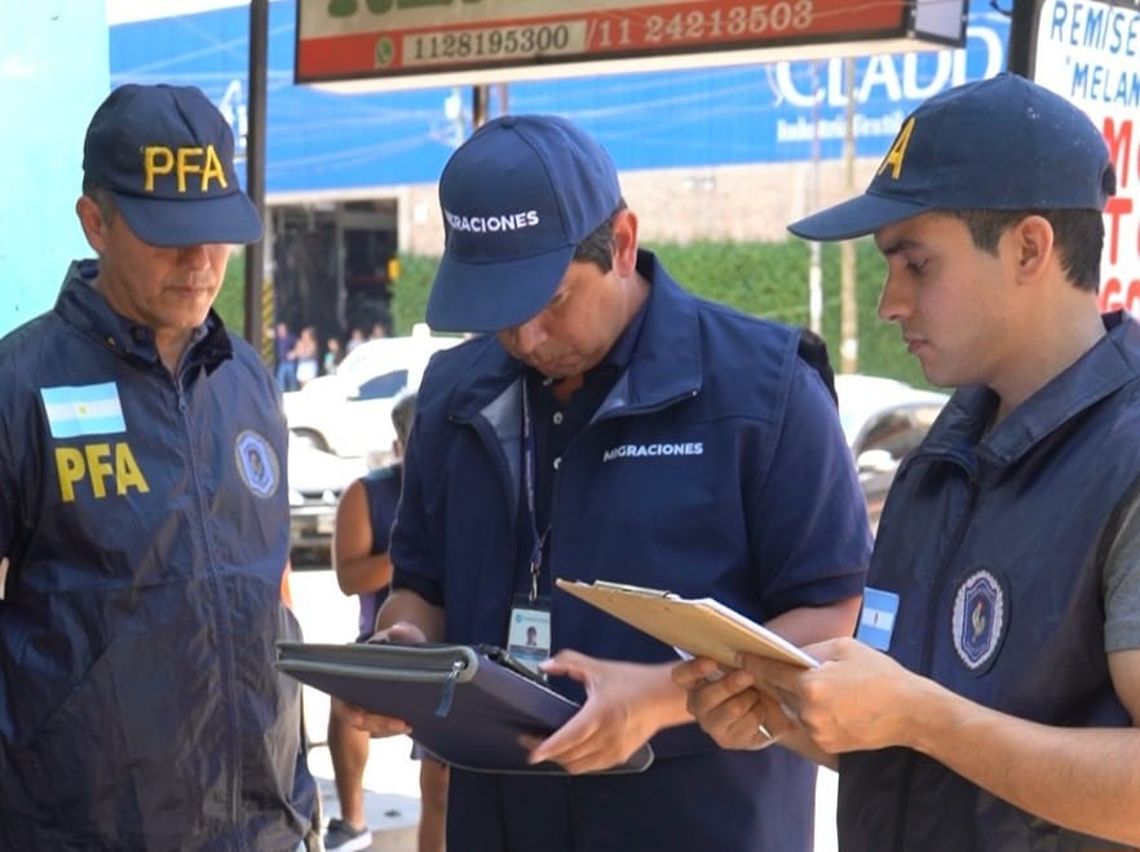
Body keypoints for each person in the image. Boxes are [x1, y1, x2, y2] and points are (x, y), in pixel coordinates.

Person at [348, 114, 871, 850]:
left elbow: (833, 612)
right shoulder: (452, 393)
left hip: (700, 821)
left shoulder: (764, 388)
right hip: (497, 820)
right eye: (498, 312)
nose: (525, 339)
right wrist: (403, 649)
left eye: (552, 301)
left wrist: (659, 700)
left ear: (622, 243)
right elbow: (422, 584)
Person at [676, 73, 1140, 850]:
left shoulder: (1125, 461)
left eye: (916, 263)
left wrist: (927, 717)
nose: (891, 301)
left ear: (1031, 247)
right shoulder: (942, 455)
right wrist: (783, 716)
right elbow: (913, 749)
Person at [0, 83, 317, 848]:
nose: (200, 261)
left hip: (260, 828)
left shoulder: (247, 380)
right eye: (167, 232)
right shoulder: (20, 386)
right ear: (95, 223)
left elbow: (272, 592)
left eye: (214, 231)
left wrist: (297, 805)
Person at [325, 392, 449, 852]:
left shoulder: (461, 486)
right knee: (346, 700)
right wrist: (410, 556)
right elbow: (348, 577)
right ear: (399, 443)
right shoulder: (367, 493)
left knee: (441, 784)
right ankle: (352, 819)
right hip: (384, 634)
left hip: (455, 639)